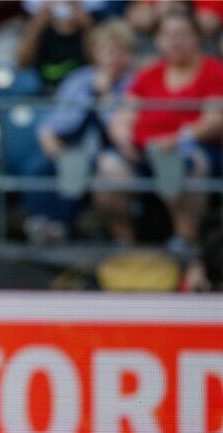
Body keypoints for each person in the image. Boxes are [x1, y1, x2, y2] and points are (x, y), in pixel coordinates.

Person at [103, 12, 223, 250]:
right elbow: (123, 114)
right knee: (108, 167)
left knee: (179, 163)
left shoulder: (214, 71)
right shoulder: (148, 74)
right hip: (142, 152)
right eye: (168, 35)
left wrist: (178, 139)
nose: (175, 41)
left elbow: (215, 120)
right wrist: (124, 140)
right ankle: (125, 245)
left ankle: (184, 241)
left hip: (192, 150)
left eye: (182, 34)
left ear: (197, 37)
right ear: (158, 40)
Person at [22, 19, 136, 244]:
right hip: (72, 145)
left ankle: (61, 228)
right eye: (108, 52)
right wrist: (50, 141)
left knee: (76, 169)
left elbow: (121, 130)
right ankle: (40, 223)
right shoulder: (78, 80)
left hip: (111, 151)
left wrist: (105, 95)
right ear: (95, 54)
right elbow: (52, 122)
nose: (113, 58)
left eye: (119, 52)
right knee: (36, 167)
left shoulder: (134, 84)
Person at [17, 0, 94, 92]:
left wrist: (87, 26)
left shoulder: (86, 29)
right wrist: (37, 23)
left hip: (76, 90)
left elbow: (94, 62)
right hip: (43, 88)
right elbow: (22, 63)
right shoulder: (40, 28)